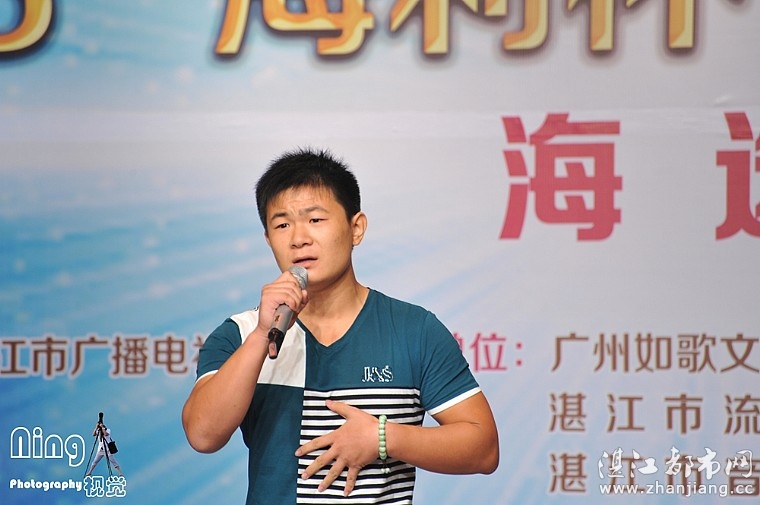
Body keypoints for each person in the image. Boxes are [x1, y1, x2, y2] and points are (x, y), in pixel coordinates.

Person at [182, 147, 499, 504]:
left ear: (356, 228)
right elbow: (203, 436)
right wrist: (260, 336)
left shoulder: (414, 330)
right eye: (282, 224)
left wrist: (383, 438)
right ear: (268, 239)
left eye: (315, 220)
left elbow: (483, 448)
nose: (298, 238)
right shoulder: (239, 333)